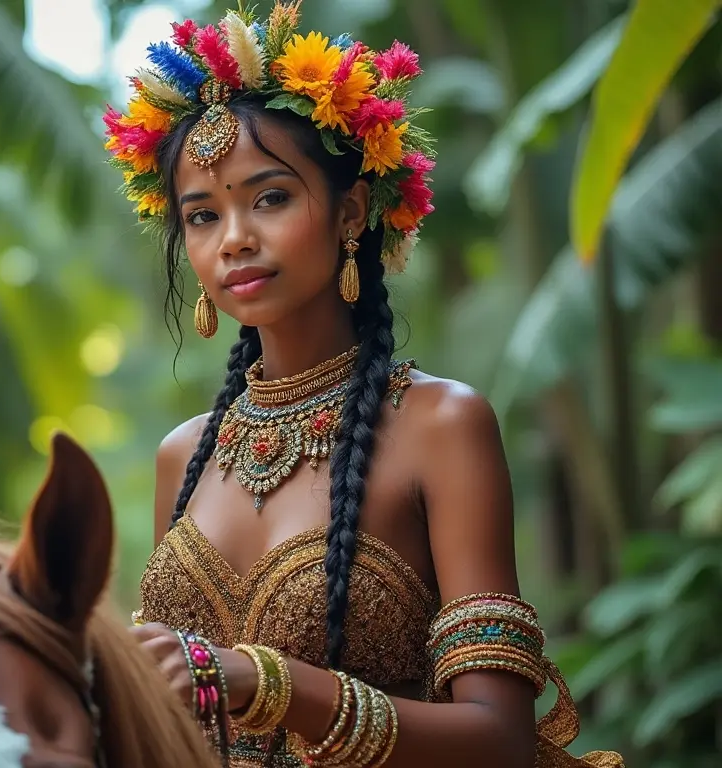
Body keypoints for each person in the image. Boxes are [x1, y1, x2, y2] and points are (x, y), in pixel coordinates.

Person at [107, 3, 625, 766]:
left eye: (270, 198)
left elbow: (500, 740)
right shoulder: (180, 456)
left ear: (351, 211)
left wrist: (272, 682)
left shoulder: (441, 426)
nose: (235, 238)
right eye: (203, 215)